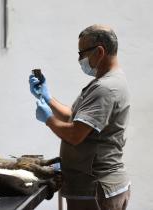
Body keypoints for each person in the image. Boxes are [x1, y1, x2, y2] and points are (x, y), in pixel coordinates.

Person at [29, 25, 130, 210]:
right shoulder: (106, 82)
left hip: (95, 188)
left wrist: (49, 120)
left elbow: (76, 134)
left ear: (100, 51)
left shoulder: (105, 88)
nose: (79, 59)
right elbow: (75, 118)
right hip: (94, 186)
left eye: (82, 53)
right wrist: (47, 98)